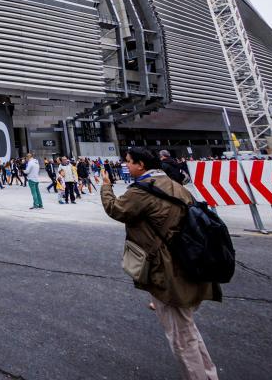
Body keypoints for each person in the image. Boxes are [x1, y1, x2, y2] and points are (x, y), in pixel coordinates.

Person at [101, 147, 220, 380]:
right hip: (188, 262)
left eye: (129, 162)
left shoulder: (142, 191)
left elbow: (116, 209)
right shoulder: (176, 186)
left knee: (181, 337)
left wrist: (106, 186)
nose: (126, 165)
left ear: (141, 165)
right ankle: (208, 375)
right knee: (187, 329)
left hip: (168, 271)